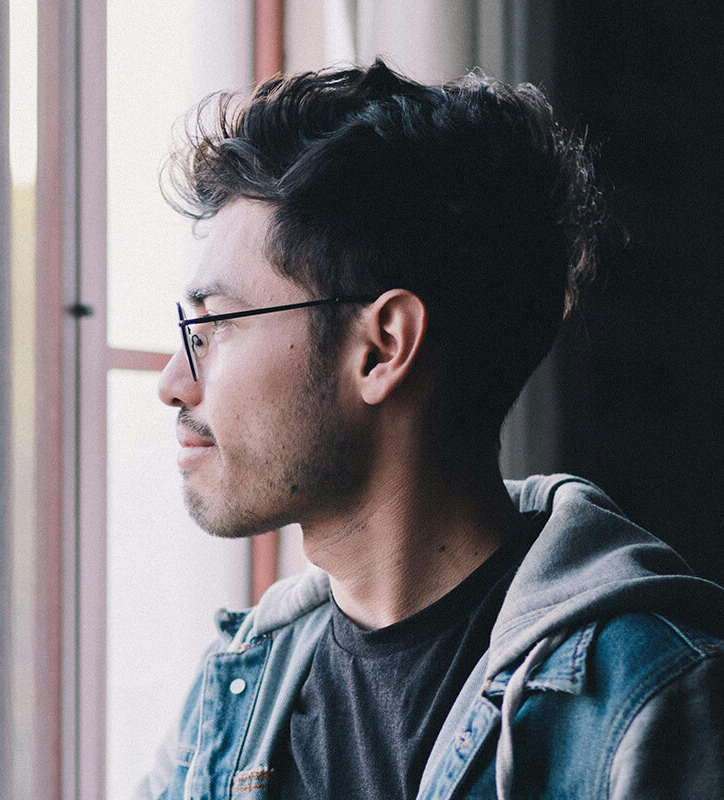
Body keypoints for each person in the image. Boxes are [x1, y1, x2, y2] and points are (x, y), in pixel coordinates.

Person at [139, 61, 724, 800]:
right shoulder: (238, 688)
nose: (171, 382)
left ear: (383, 347)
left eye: (214, 324)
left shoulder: (646, 706)